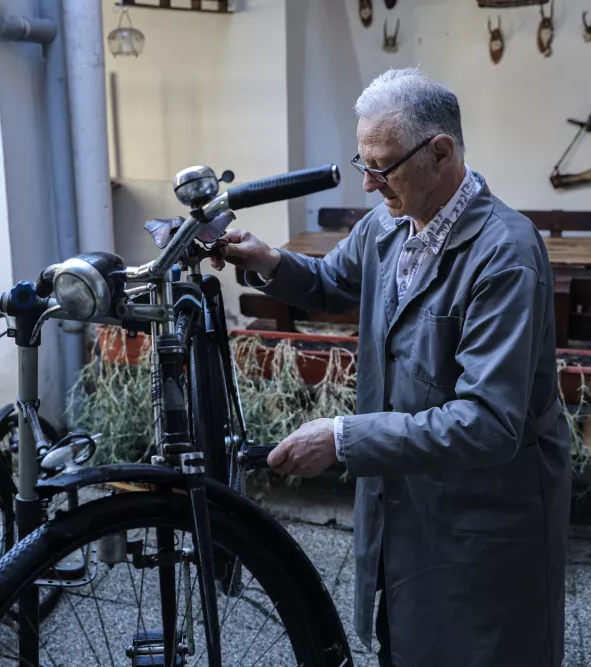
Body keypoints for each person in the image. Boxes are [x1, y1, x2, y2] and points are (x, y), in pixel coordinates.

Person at [210, 68, 571, 667]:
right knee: (406, 636)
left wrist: (343, 436)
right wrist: (267, 259)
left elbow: (489, 421)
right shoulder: (391, 223)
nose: (372, 183)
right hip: (409, 488)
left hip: (487, 504)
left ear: (441, 151)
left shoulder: (504, 254)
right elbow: (331, 282)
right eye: (364, 163)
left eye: (384, 166)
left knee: (484, 644)